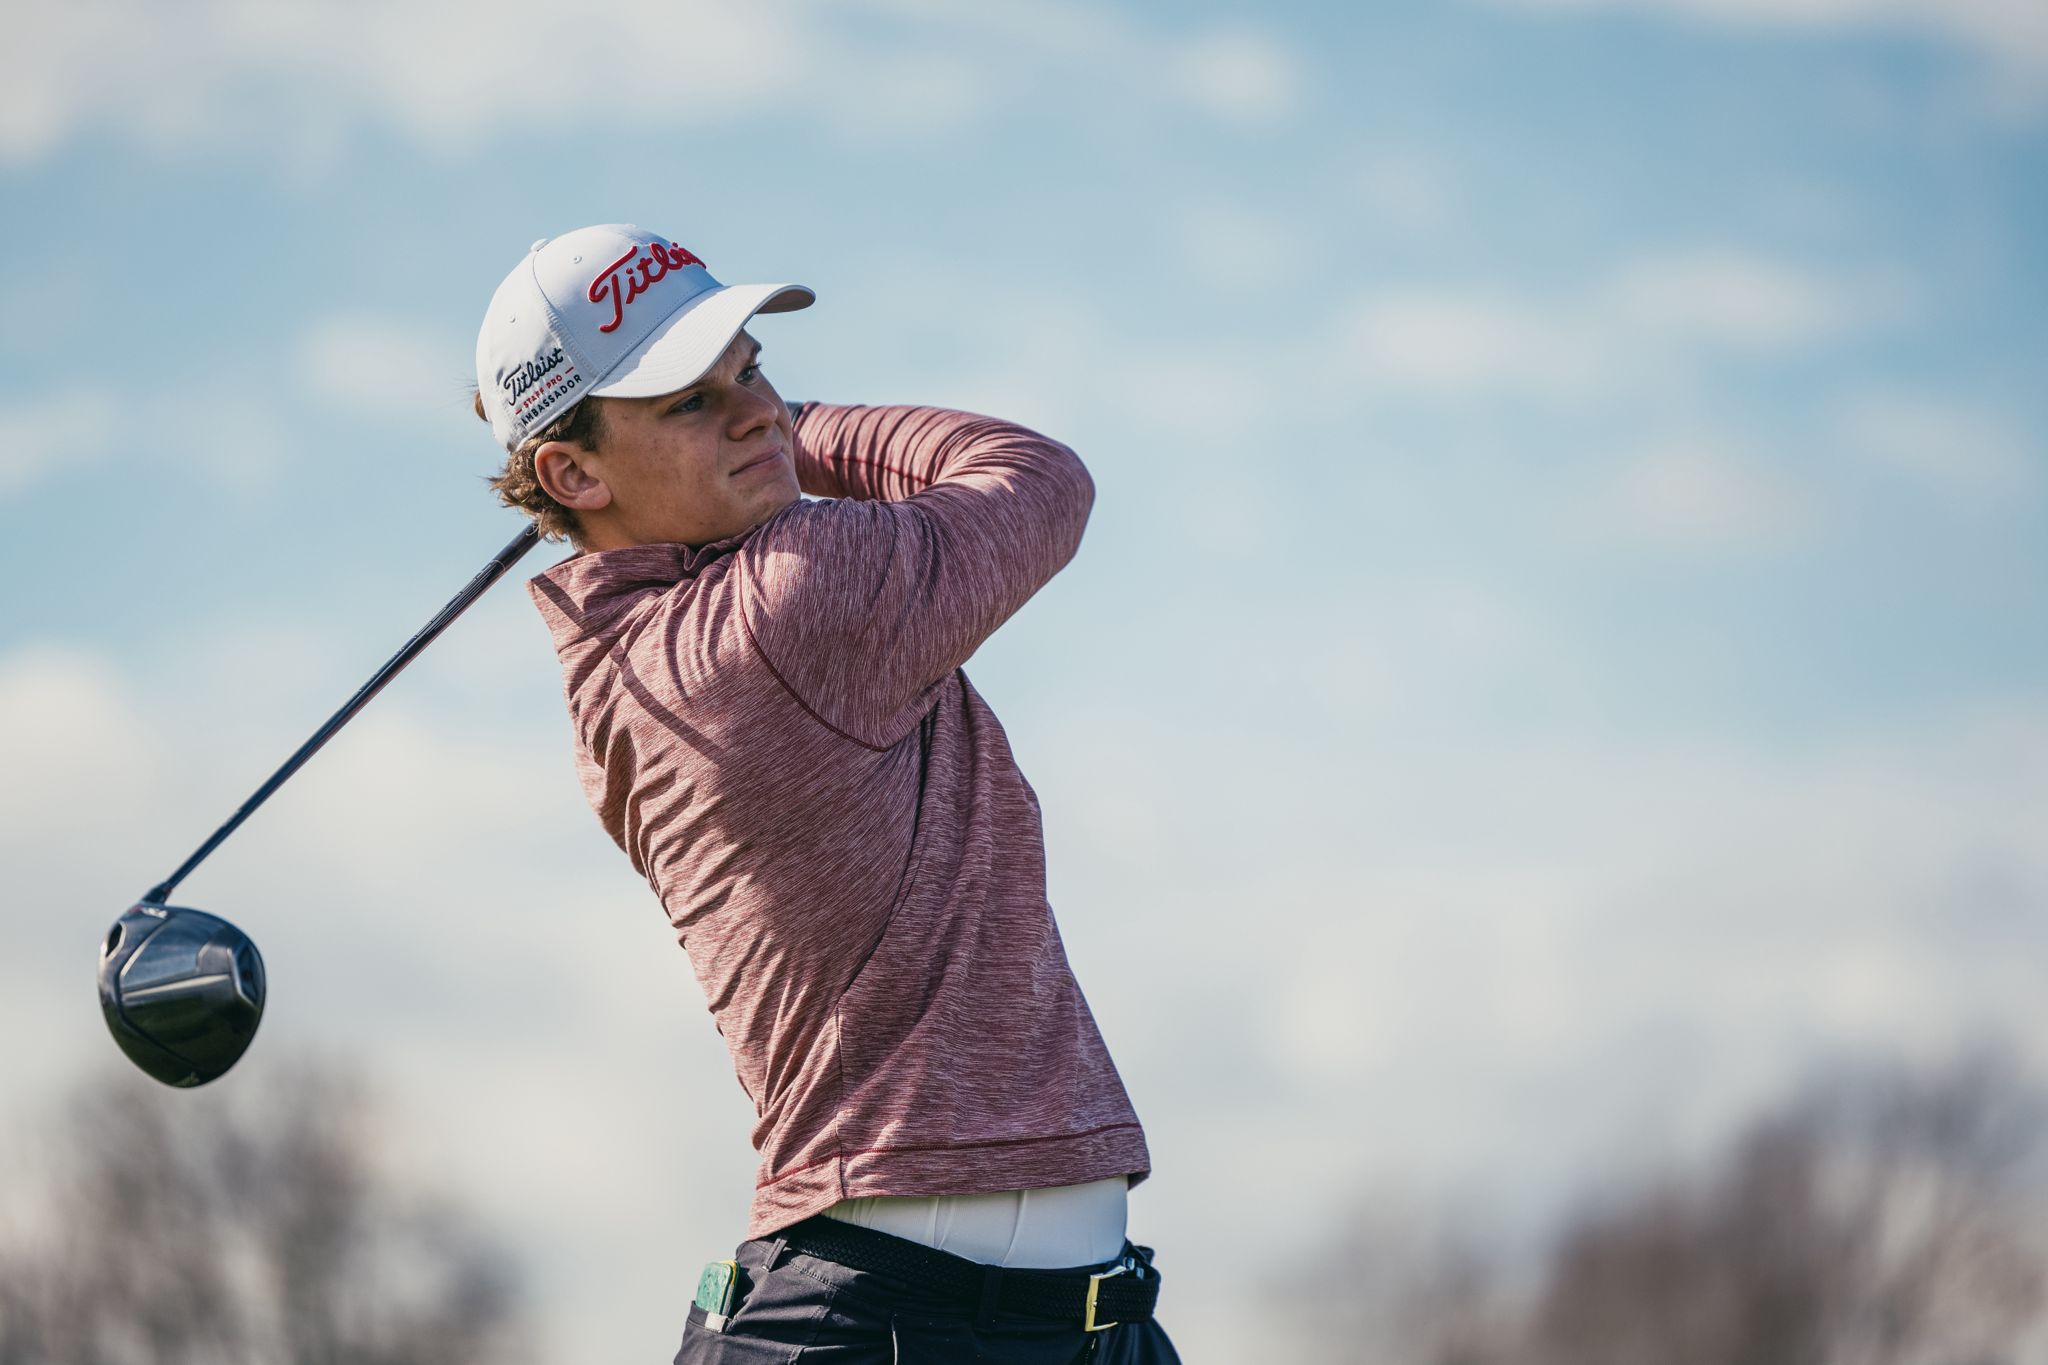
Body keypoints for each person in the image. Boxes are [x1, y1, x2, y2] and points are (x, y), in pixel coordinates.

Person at [473, 224, 1180, 1363]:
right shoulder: (782, 607)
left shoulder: (639, 652)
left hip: (1060, 1319)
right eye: (689, 400)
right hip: (890, 1322)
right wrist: (802, 432)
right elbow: (1037, 477)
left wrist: (743, 438)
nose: (756, 411)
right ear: (574, 474)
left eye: (752, 370)